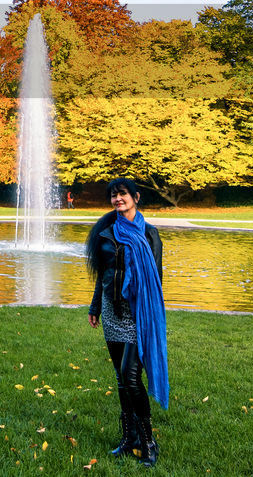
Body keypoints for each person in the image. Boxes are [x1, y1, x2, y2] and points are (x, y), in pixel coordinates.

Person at [87, 177, 168, 466]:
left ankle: (148, 441)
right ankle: (128, 438)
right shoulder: (106, 233)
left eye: (122, 194)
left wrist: (149, 312)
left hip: (138, 313)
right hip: (111, 312)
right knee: (121, 380)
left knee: (132, 377)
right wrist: (95, 306)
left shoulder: (150, 234)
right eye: (113, 195)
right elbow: (102, 274)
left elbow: (156, 280)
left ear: (135, 197)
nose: (117, 199)